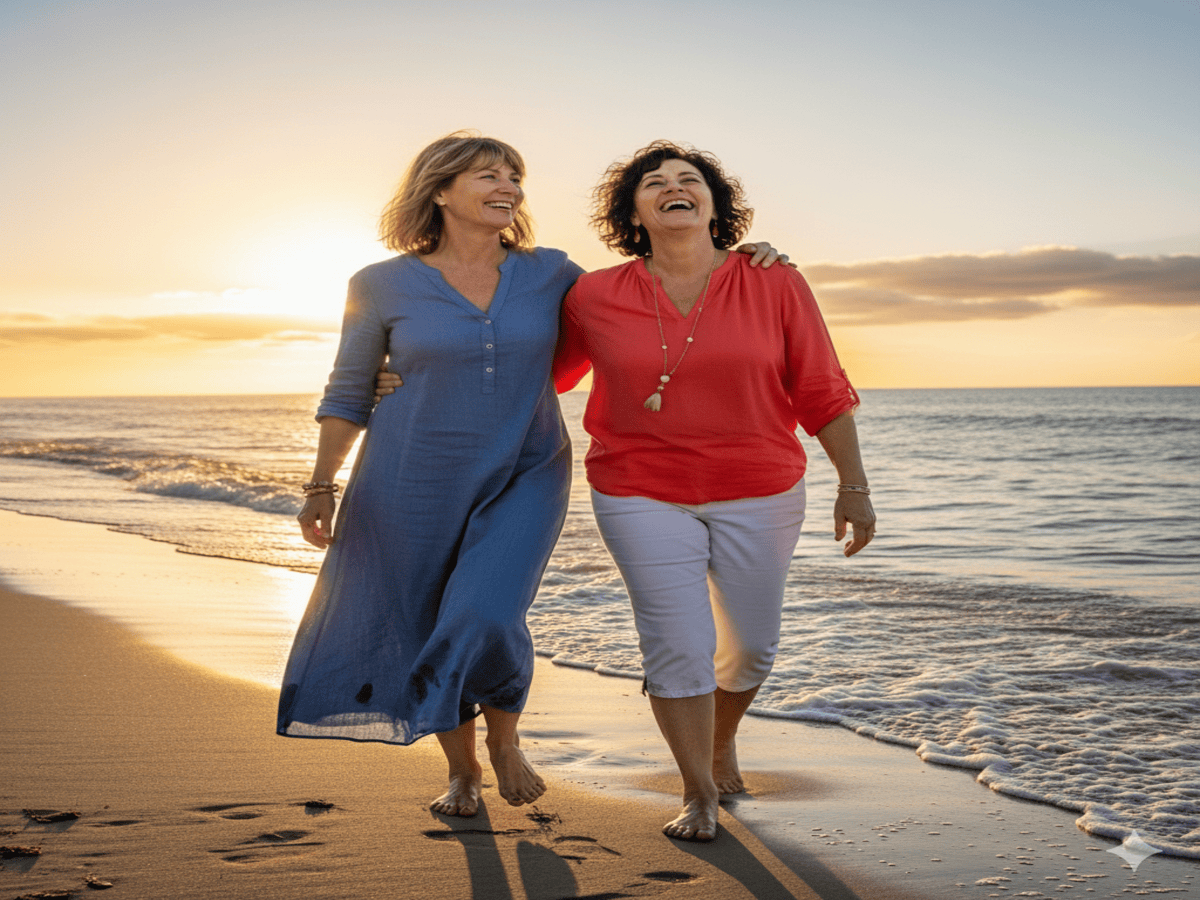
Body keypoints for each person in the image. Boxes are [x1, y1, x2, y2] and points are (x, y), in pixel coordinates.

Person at [281, 131, 785, 819]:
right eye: (488, 174)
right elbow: (347, 391)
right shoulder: (378, 285)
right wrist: (320, 485)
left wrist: (744, 261)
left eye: (514, 176)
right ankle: (462, 774)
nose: (508, 187)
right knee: (428, 621)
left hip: (526, 469)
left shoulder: (553, 274)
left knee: (486, 611)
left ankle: (506, 738)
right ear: (439, 190)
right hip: (409, 477)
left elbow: (649, 292)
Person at [551, 141, 876, 842]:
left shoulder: (774, 281)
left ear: (714, 204)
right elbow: (545, 373)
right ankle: (697, 790)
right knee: (677, 642)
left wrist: (853, 484)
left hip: (759, 486)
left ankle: (720, 738)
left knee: (753, 648)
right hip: (638, 488)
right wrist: (419, 372)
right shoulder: (594, 294)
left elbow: (819, 385)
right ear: (633, 212)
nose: (674, 188)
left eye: (689, 180)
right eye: (655, 183)